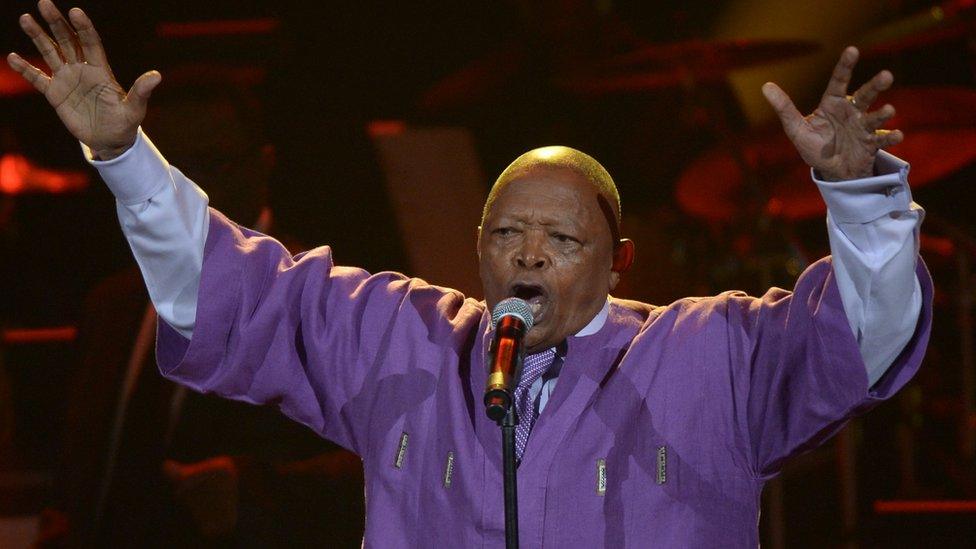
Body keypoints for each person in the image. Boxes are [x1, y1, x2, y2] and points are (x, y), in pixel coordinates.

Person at [8, 1, 930, 546]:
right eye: (507, 234)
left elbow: (860, 336)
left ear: (621, 263)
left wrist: (856, 198)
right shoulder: (403, 339)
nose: (529, 254)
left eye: (562, 241)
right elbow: (230, 287)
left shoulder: (708, 355)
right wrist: (127, 158)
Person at [32, 67, 365, 547]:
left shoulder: (322, 298)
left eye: (211, 164)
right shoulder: (114, 304)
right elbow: (87, 457)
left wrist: (256, 490)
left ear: (264, 165)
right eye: (169, 169)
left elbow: (403, 454)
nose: (188, 191)